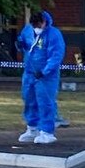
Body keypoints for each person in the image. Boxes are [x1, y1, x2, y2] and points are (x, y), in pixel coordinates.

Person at [18, 10, 66, 145]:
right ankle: (32, 128)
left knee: (45, 102)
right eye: (35, 25)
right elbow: (24, 42)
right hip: (29, 73)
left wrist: (45, 71)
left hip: (46, 76)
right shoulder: (28, 30)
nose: (37, 28)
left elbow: (56, 55)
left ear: (45, 22)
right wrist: (20, 44)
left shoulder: (53, 34)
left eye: (39, 25)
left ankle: (46, 131)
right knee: (29, 100)